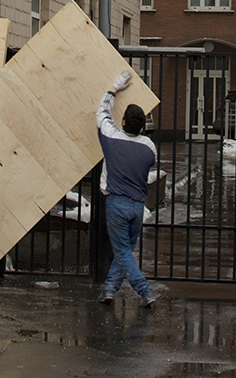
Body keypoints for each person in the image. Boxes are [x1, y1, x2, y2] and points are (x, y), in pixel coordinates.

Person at [96, 70, 157, 307]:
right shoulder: (149, 148)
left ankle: (146, 292)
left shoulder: (112, 138)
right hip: (138, 207)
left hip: (117, 204)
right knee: (124, 251)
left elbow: (101, 113)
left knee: (122, 253)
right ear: (142, 126)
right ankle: (109, 289)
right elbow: (150, 162)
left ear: (123, 122)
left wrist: (114, 88)